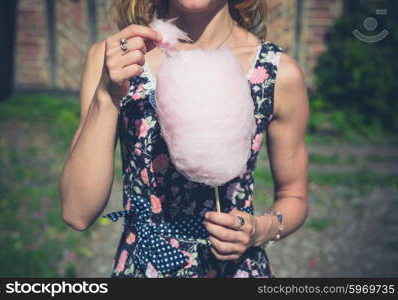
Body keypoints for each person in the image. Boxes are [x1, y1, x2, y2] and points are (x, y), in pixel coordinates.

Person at [58, 0, 309, 278]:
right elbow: (76, 212)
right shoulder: (116, 61)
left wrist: (259, 230)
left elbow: (294, 195)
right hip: (143, 269)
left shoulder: (276, 72)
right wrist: (107, 96)